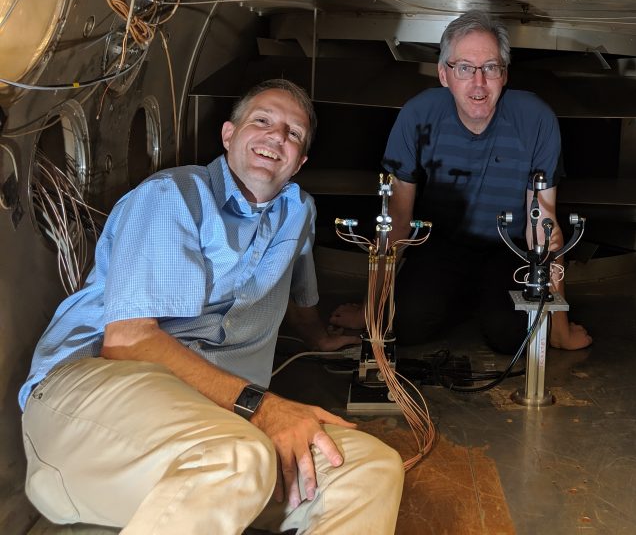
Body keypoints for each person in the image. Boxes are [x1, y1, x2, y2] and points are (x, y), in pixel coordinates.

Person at [19, 79, 404, 535]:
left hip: (222, 425)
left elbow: (300, 292)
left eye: (293, 133)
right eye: (262, 121)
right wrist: (262, 406)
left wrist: (318, 337)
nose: (277, 136)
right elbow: (127, 342)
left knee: (371, 468)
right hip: (90, 408)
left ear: (299, 162)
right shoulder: (174, 196)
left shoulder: (298, 211)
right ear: (228, 135)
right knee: (237, 455)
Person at [334, 11, 590, 353]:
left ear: (504, 74)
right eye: (465, 68)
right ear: (444, 74)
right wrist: (372, 311)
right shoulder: (417, 115)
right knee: (405, 324)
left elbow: (543, 225)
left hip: (509, 249)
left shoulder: (536, 119)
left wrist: (558, 328)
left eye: (490, 68)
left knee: (512, 337)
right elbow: (396, 216)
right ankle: (468, 300)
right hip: (441, 245)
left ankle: (484, 302)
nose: (479, 83)